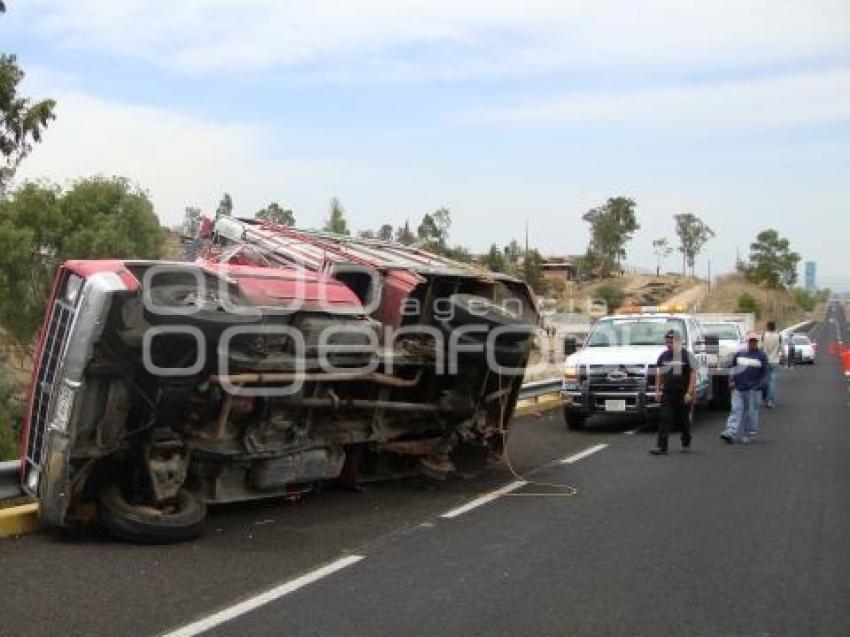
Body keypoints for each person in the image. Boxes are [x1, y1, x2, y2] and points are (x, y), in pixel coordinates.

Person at [650, 329, 697, 455]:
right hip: (667, 393)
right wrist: (657, 390)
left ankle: (686, 442)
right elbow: (659, 373)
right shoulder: (664, 356)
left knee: (683, 420)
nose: (668, 344)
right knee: (665, 418)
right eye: (667, 342)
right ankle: (661, 446)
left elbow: (693, 375)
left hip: (683, 394)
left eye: (671, 342)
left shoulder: (688, 356)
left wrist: (690, 392)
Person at [720, 331, 769, 444]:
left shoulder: (762, 356)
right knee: (735, 409)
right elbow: (733, 368)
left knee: (751, 413)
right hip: (738, 387)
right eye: (750, 340)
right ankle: (730, 433)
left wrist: (759, 386)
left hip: (753, 389)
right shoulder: (739, 354)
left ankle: (750, 434)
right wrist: (731, 380)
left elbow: (766, 373)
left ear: (757, 342)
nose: (752, 342)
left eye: (754, 341)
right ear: (747, 341)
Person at [761, 321, 782, 408]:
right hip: (774, 360)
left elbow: (761, 347)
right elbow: (780, 348)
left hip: (765, 360)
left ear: (767, 327)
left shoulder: (764, 335)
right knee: (772, 382)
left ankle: (765, 398)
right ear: (774, 327)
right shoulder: (778, 336)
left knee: (765, 380)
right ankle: (771, 401)